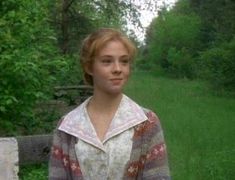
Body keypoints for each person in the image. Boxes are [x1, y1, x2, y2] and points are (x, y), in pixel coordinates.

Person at [49, 28, 171, 180]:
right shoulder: (68, 127)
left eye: (124, 61)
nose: (118, 69)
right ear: (88, 67)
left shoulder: (147, 123)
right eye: (107, 61)